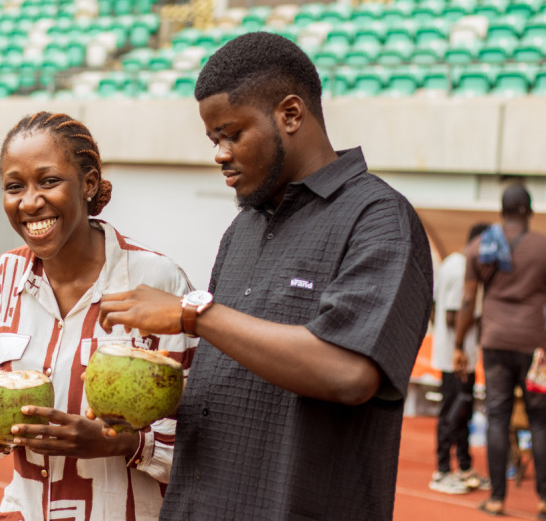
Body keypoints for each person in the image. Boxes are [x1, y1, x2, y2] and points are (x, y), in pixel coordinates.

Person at [98, 32, 433, 520]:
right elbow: (231, 383)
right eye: (214, 139)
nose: (219, 153)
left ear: (291, 114)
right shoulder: (243, 228)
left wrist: (195, 316)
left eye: (232, 134)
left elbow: (349, 373)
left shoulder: (379, 219)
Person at [0, 111, 198, 521]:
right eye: (14, 186)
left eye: (49, 181)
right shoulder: (1, 279)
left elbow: (202, 442)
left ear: (88, 184)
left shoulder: (158, 280)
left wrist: (121, 443)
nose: (30, 201)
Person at [453, 183, 546, 517]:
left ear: (502, 211)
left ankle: (496, 499)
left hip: (494, 343)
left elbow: (467, 300)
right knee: (540, 421)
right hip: (535, 347)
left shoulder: (479, 247)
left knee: (497, 418)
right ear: (530, 211)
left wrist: (459, 344)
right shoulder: (542, 247)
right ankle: (543, 500)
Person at [429, 222, 490, 494]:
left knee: (462, 411)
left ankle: (464, 467)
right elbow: (452, 315)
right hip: (457, 357)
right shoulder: (461, 267)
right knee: (452, 412)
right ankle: (442, 471)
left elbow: (434, 307)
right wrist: (458, 348)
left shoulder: (452, 262)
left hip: (456, 353)